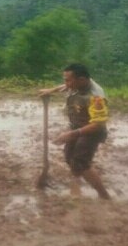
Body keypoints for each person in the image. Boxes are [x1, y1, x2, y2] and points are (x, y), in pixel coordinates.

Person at [39, 63, 111, 199]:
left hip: (92, 131)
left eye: (68, 80)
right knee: (68, 156)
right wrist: (51, 90)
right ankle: (76, 185)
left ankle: (104, 196)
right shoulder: (77, 84)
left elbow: (98, 124)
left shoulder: (96, 97)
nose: (65, 83)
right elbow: (65, 86)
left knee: (80, 162)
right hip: (77, 126)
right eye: (65, 79)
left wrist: (71, 134)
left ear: (82, 80)